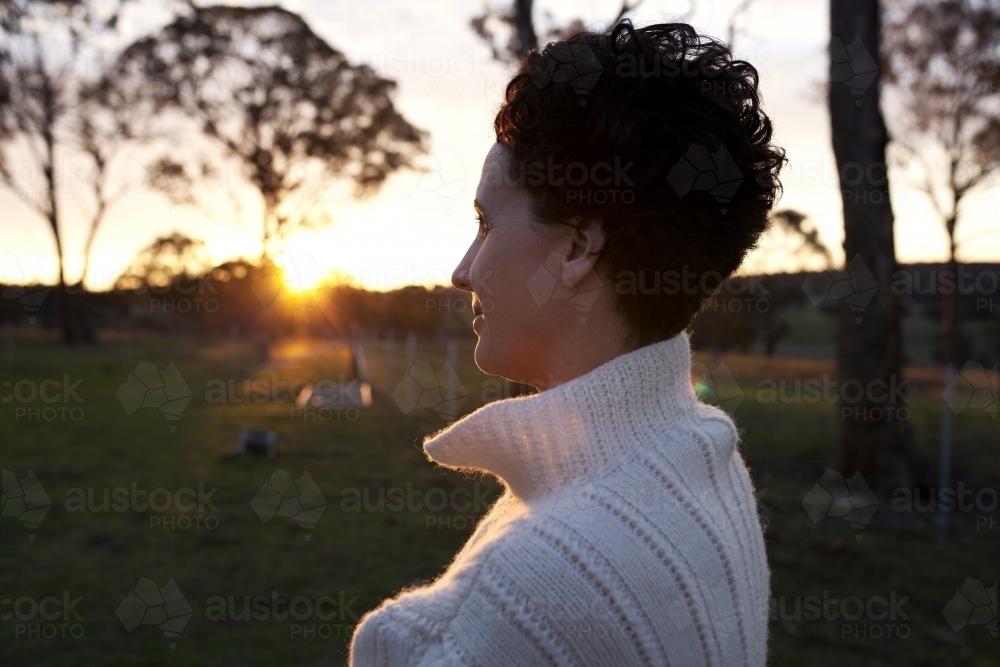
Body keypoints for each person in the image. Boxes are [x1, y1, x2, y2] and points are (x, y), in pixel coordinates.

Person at [350, 19, 784, 666]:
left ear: (579, 247)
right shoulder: (707, 455)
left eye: (487, 221)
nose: (462, 270)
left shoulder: (527, 591)